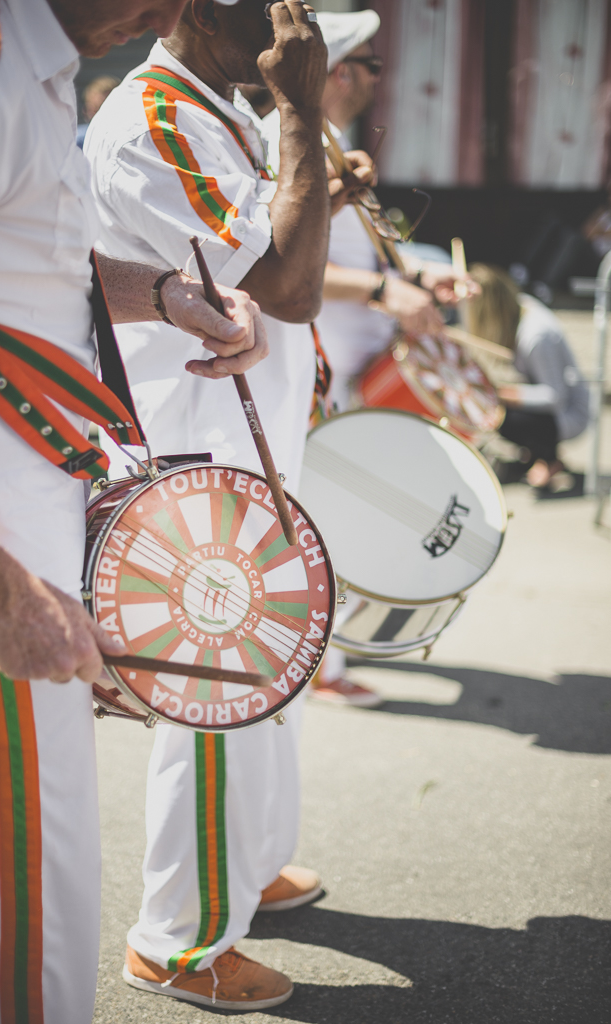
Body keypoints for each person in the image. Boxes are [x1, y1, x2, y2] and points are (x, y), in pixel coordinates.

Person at [0, 0, 266, 1020]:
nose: (167, 13)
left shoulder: (23, 73)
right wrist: (1, 588)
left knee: (11, 905)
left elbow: (17, 275)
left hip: (6, 563)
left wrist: (165, 292)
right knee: (25, 932)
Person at [84, 0, 370, 1009]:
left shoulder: (218, 107)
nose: (296, 18)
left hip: (253, 442)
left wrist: (311, 157)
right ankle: (177, 943)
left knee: (269, 685)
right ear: (206, 9)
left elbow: (276, 244)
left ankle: (245, 868)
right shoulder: (155, 121)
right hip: (200, 451)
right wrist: (299, 109)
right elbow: (284, 287)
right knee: (218, 701)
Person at [258, 10, 470, 706]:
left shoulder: (328, 139)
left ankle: (321, 657)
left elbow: (339, 252)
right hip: (313, 365)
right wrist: (384, 289)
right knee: (324, 514)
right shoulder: (287, 139)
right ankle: (308, 660)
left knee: (337, 512)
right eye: (374, 63)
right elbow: (274, 266)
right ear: (341, 69)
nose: (383, 75)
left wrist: (411, 281)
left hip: (344, 365)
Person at [467, 264, 589, 490]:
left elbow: (554, 396)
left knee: (499, 417)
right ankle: (541, 457)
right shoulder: (520, 307)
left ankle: (547, 458)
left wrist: (502, 394)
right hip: (556, 406)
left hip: (569, 412)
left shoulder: (535, 335)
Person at [77, 75, 121, 148]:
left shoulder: (134, 140)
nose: (106, 117)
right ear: (85, 111)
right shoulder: (76, 141)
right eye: (97, 109)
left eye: (111, 108)